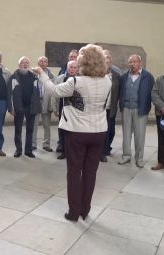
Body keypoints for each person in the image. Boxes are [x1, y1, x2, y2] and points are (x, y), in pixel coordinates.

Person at [34, 44, 111, 222]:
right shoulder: (108, 81)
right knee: (90, 173)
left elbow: (53, 90)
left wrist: (42, 74)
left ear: (83, 61)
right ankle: (85, 210)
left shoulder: (75, 81)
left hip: (77, 132)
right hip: (99, 131)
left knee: (74, 172)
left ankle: (74, 212)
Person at [117, 54, 155, 168]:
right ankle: (126, 156)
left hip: (140, 109)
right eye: (130, 62)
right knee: (126, 134)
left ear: (140, 63)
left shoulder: (148, 76)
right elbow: (120, 92)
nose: (132, 64)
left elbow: (152, 93)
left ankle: (139, 158)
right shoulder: (124, 76)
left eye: (135, 62)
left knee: (139, 135)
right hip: (126, 108)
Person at [8, 56, 41, 158]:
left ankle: (28, 150)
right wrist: (11, 108)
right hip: (19, 107)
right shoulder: (13, 77)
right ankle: (18, 150)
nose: (25, 64)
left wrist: (37, 107)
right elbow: (9, 94)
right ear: (19, 65)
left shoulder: (34, 77)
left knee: (30, 130)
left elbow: (37, 94)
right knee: (18, 129)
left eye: (27, 63)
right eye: (23, 62)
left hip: (30, 107)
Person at [53, 60, 79, 159]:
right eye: (70, 67)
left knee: (74, 131)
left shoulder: (80, 79)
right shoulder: (60, 78)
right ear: (67, 68)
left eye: (74, 67)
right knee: (63, 129)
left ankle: (73, 151)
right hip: (62, 106)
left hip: (75, 108)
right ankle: (63, 150)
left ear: (78, 69)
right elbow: (55, 94)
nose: (72, 69)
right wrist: (55, 108)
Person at [101, 49, 121, 162]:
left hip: (111, 107)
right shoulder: (97, 72)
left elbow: (120, 90)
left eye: (108, 57)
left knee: (111, 131)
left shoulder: (117, 75)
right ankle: (102, 151)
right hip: (100, 108)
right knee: (102, 131)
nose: (106, 60)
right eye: (104, 57)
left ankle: (106, 148)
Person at [32, 56, 55, 152]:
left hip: (46, 101)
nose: (43, 63)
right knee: (34, 124)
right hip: (36, 101)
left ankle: (46, 144)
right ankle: (32, 144)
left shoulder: (51, 75)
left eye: (45, 61)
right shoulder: (33, 73)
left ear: (47, 63)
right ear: (38, 63)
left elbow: (54, 89)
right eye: (41, 61)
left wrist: (53, 105)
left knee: (47, 125)